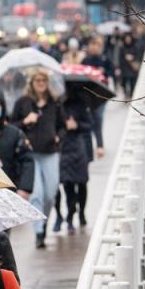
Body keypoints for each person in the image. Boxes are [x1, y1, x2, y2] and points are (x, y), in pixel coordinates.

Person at [10, 70, 65, 248]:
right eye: (37, 80)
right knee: (37, 195)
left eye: (44, 80)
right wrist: (25, 121)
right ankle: (39, 231)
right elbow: (11, 126)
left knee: (50, 193)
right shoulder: (23, 103)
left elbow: (62, 126)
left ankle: (44, 220)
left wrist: (58, 137)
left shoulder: (54, 103)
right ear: (31, 82)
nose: (41, 83)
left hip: (50, 152)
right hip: (30, 153)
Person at [55, 92, 94, 232]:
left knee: (82, 182)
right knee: (67, 183)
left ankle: (82, 212)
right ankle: (70, 215)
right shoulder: (57, 104)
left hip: (79, 146)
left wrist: (76, 125)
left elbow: (89, 125)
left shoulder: (82, 102)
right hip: (64, 147)